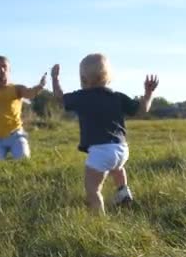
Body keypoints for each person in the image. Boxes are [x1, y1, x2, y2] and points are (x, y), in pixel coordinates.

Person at [51, 53, 159, 213]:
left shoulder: (82, 97)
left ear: (83, 79)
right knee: (117, 167)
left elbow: (60, 98)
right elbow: (141, 111)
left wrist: (55, 79)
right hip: (121, 149)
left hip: (100, 151)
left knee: (92, 189)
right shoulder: (117, 97)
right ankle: (123, 191)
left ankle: (99, 221)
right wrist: (148, 94)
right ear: (108, 77)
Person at [0, 55, 47, 161]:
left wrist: (41, 86)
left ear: (9, 69)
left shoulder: (16, 88)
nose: (1, 69)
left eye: (4, 66)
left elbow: (30, 93)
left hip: (15, 135)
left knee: (24, 160)